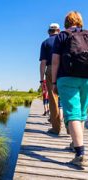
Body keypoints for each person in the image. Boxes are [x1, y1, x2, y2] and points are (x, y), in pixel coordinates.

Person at [52, 11, 88, 167]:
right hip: (86, 78)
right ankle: (75, 144)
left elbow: (55, 61)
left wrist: (54, 82)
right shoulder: (87, 34)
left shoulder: (62, 36)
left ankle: (80, 154)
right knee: (81, 113)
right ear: (80, 21)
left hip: (66, 78)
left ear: (66, 22)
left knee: (72, 113)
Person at [40, 23, 61, 134]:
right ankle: (70, 129)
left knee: (53, 99)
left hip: (50, 69)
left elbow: (43, 62)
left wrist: (41, 79)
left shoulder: (45, 43)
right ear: (59, 30)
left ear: (49, 32)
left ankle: (56, 128)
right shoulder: (64, 40)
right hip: (65, 69)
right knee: (67, 99)